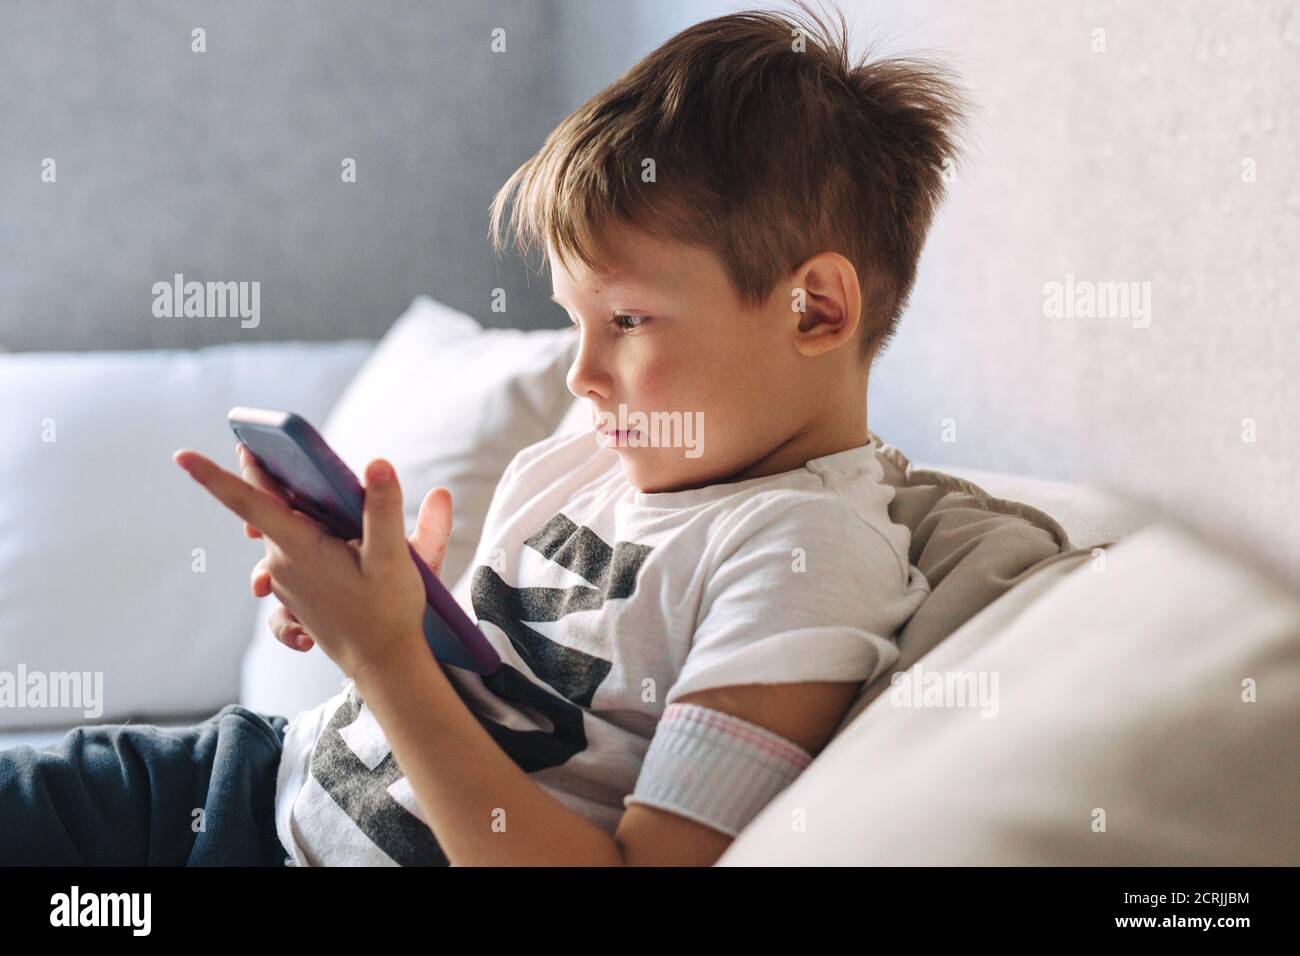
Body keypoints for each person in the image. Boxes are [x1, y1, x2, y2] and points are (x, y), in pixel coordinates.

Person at [0, 0, 963, 866]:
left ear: (815, 309)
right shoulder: (587, 459)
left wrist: (385, 655)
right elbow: (475, 703)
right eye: (574, 321)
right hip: (244, 777)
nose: (582, 373)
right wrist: (380, 613)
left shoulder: (807, 556)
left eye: (626, 321)